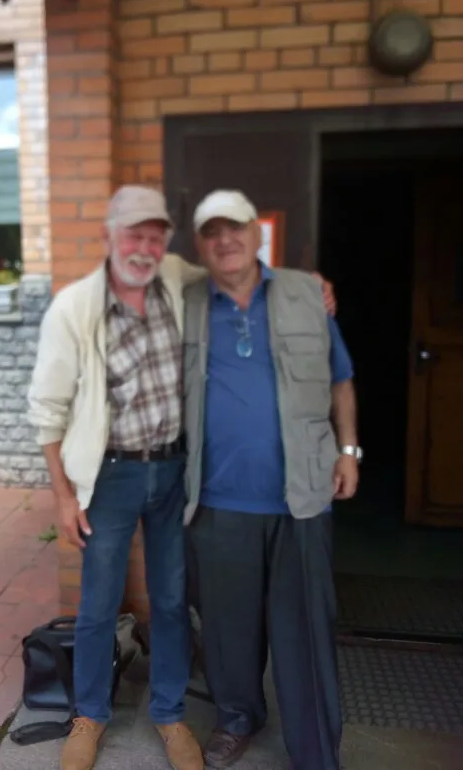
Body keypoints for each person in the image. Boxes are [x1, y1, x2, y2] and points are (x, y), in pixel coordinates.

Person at [28, 184, 337, 770]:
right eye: (133, 235)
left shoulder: (177, 279)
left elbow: (240, 274)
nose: (143, 248)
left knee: (171, 600)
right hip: (110, 475)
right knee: (98, 601)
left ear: (166, 242)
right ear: (109, 236)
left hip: (174, 472)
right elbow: (47, 409)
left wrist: (306, 285)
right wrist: (63, 496)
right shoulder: (73, 307)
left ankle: (169, 714)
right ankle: (90, 714)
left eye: (155, 236)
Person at [183, 190, 360, 770]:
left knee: (306, 629)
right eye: (212, 232)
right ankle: (238, 717)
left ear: (256, 232)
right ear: (199, 245)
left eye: (235, 227)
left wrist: (349, 450)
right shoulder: (185, 300)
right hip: (216, 497)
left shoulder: (306, 292)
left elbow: (340, 378)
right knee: (227, 628)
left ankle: (315, 751)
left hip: (301, 495)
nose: (225, 240)